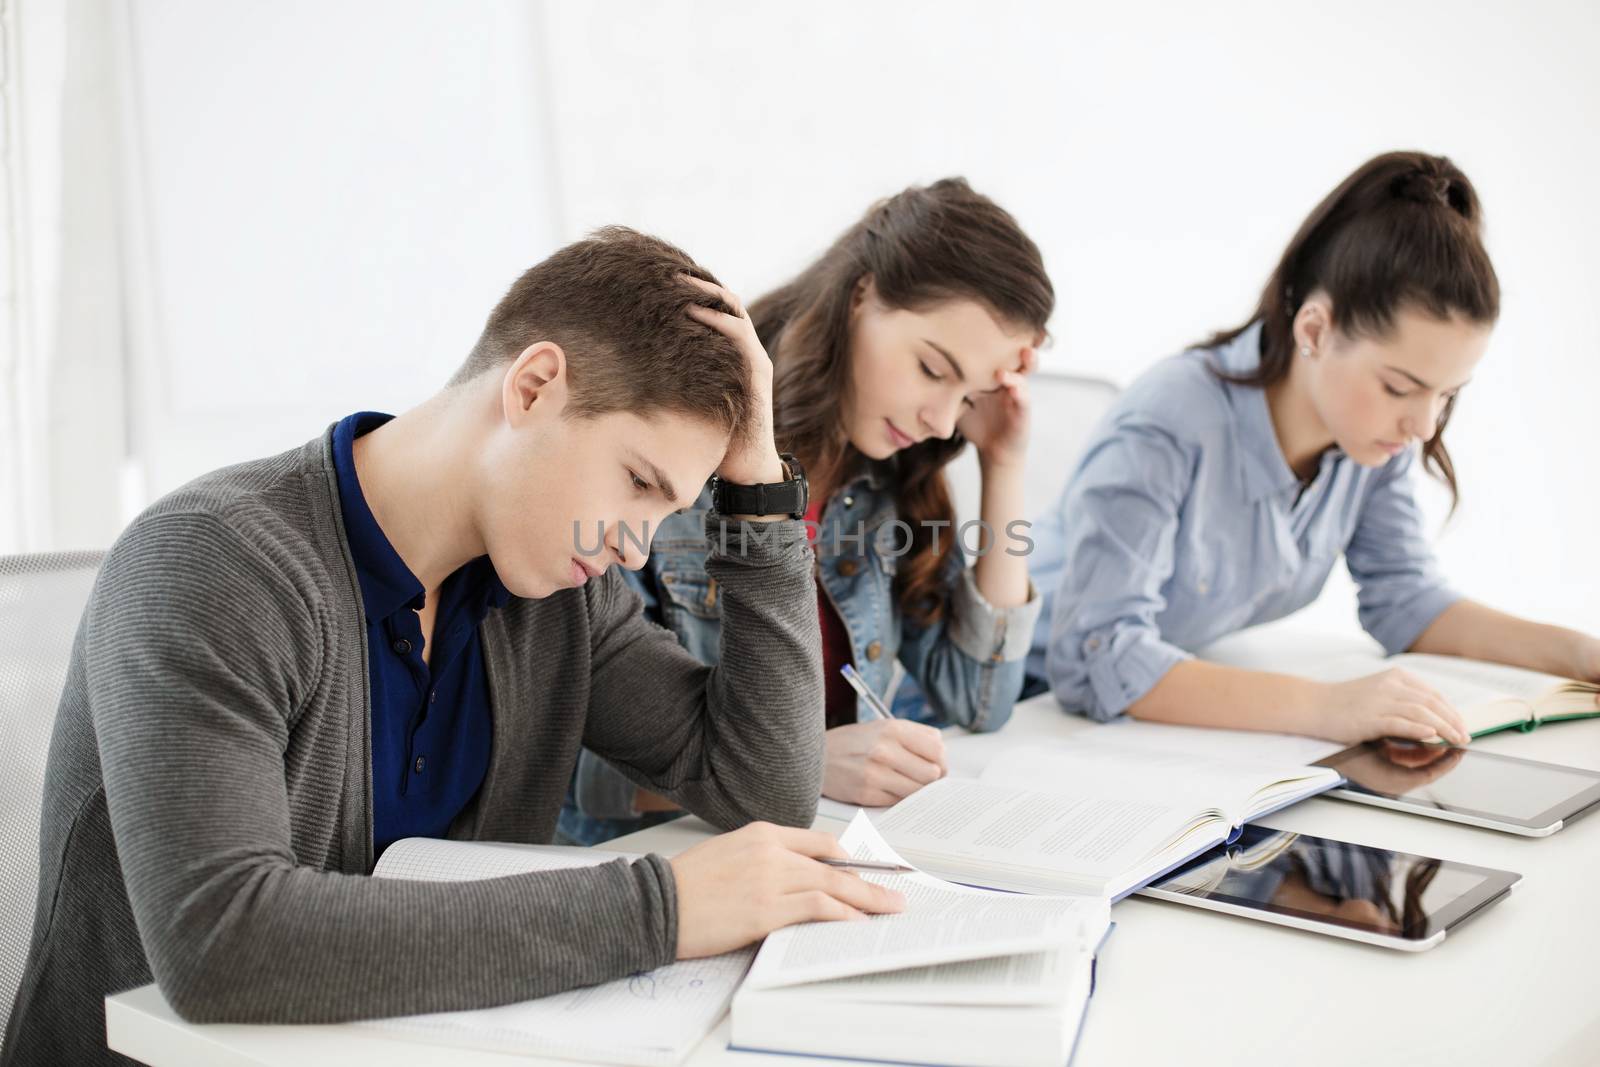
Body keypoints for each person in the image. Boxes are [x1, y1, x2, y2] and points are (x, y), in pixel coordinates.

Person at [2, 228, 904, 1067]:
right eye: (637, 481)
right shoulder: (211, 561)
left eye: (665, 509)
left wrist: (758, 486)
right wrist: (661, 909)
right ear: (534, 385)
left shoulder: (557, 596)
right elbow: (221, 941)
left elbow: (765, 788)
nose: (633, 543)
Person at [1028, 150, 1600, 742]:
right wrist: (1328, 709)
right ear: (1315, 331)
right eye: (1400, 387)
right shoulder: (1171, 418)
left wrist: (1582, 654)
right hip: (1007, 699)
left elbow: (1407, 600)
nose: (1424, 426)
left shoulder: (1369, 442)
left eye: (1447, 395)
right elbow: (1098, 656)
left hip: (1122, 725)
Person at [561, 179, 1051, 845]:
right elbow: (585, 773)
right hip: (667, 855)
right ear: (861, 296)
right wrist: (807, 765)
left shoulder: (887, 479)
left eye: (971, 394)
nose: (941, 422)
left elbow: (982, 698)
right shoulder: (684, 454)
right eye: (934, 369)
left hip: (827, 842)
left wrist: (1003, 460)